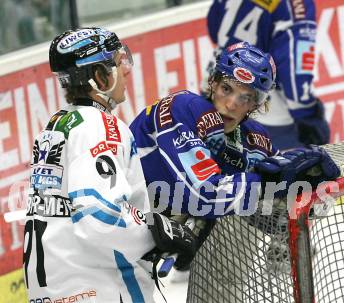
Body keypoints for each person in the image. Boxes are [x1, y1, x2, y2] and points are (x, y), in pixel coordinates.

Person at [23, 27, 198, 303]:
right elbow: (97, 215)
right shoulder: (100, 126)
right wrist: (155, 230)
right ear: (100, 77)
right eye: (119, 63)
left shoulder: (55, 129)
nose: (128, 70)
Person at [130, 42, 339, 279]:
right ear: (213, 83)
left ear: (257, 104)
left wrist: (312, 183)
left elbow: (285, 196)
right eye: (226, 89)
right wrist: (267, 181)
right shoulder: (184, 107)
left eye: (246, 97)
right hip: (111, 231)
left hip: (152, 249)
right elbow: (204, 194)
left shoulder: (254, 140)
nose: (231, 104)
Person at [206, 0, 330, 151]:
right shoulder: (296, 4)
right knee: (291, 171)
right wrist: (308, 117)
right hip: (264, 116)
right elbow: (295, 73)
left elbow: (213, 26)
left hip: (216, 91)